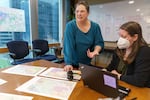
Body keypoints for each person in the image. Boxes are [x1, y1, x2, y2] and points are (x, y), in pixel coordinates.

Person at [106, 21, 150, 87]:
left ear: (135, 37)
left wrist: (118, 76)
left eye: (124, 36)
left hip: (138, 89)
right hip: (120, 85)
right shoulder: (120, 49)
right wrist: (104, 71)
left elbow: (139, 80)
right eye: (120, 36)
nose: (120, 39)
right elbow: (111, 68)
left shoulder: (144, 52)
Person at [63, 1, 104, 71]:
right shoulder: (70, 26)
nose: (79, 14)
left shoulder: (95, 27)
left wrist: (95, 51)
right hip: (72, 64)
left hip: (86, 64)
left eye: (82, 11)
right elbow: (68, 46)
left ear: (88, 13)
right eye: (77, 11)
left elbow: (99, 43)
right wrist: (68, 63)